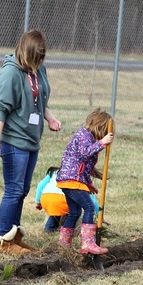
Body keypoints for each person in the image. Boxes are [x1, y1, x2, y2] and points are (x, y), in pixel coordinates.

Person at [0, 29, 61, 253]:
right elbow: (0, 110)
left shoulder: (39, 69)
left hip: (31, 141)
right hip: (13, 141)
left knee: (22, 191)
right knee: (14, 189)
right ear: (26, 52)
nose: (39, 62)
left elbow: (38, 100)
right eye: (36, 57)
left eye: (42, 58)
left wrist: (50, 117)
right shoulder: (10, 73)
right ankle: (3, 239)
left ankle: (14, 235)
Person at [55, 109, 114, 254]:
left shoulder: (86, 137)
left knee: (74, 212)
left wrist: (89, 184)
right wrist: (102, 143)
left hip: (71, 180)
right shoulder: (84, 135)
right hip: (72, 180)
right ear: (99, 127)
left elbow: (84, 166)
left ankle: (64, 245)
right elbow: (84, 153)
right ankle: (88, 244)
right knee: (88, 207)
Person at [34, 166, 100, 233]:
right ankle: (68, 231)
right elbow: (91, 200)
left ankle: (49, 230)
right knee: (74, 211)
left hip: (46, 197)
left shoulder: (54, 172)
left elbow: (40, 185)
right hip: (63, 199)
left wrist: (38, 202)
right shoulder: (79, 175)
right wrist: (98, 215)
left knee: (55, 213)